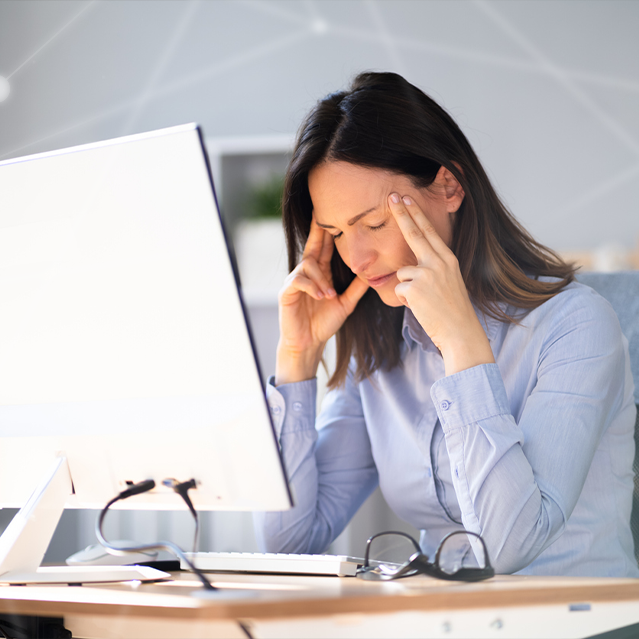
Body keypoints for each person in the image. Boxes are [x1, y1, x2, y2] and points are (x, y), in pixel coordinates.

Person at [254, 72, 638, 577]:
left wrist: (461, 345)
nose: (358, 256)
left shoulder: (575, 325)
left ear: (449, 186)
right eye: (335, 232)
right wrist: (297, 361)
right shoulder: (380, 346)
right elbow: (287, 543)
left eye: (374, 223)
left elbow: (506, 547)